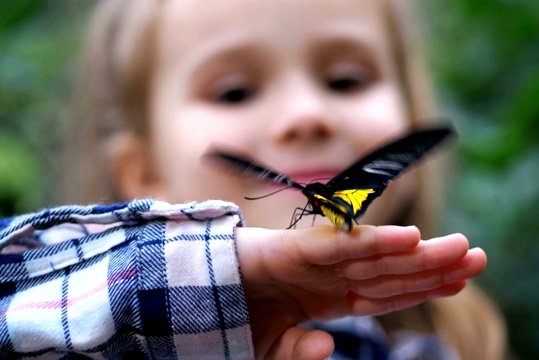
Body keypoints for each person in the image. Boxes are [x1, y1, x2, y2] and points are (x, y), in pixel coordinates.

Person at [1, 0, 506, 358]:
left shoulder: (442, 349)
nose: (307, 115)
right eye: (236, 92)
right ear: (145, 172)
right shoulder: (125, 337)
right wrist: (202, 282)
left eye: (346, 80)